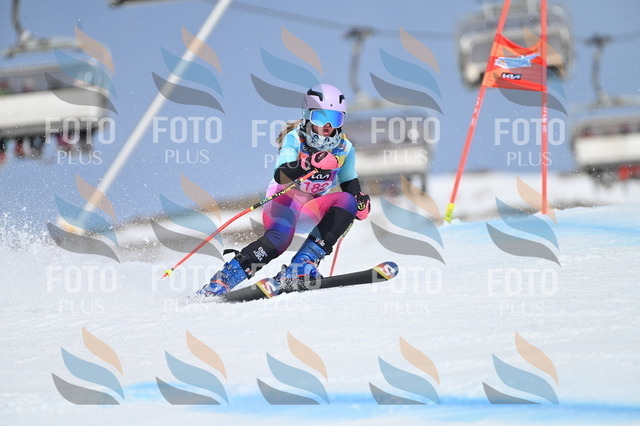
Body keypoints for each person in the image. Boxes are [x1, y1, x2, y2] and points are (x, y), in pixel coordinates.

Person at [197, 83, 371, 296]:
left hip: (310, 209)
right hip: (285, 201)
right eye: (320, 118)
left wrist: (359, 200)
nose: (327, 126)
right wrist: (308, 163)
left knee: (347, 201)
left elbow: (349, 181)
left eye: (335, 119)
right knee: (278, 242)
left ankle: (302, 265)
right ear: (307, 115)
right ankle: (223, 281)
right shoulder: (295, 139)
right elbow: (281, 175)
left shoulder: (345, 148)